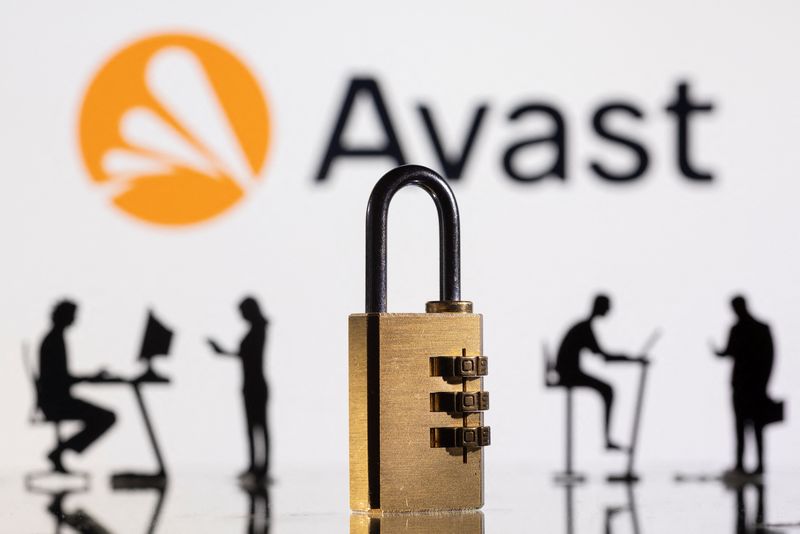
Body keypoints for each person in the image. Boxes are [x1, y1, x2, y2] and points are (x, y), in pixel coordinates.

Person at [554, 294, 647, 450]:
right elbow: (605, 357)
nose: (609, 310)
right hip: (568, 374)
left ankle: (607, 439)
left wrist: (629, 359)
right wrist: (630, 359)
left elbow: (602, 356)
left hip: (569, 371)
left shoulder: (584, 326)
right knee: (608, 390)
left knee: (607, 389)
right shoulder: (584, 328)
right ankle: (607, 439)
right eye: (608, 307)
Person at [38, 300, 116, 473]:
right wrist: (90, 378)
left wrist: (89, 378)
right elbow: (60, 378)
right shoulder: (54, 341)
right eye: (73, 315)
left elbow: (61, 377)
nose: (75, 319)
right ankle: (59, 451)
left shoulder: (55, 338)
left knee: (106, 417)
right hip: (56, 403)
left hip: (56, 400)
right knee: (107, 417)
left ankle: (60, 451)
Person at [208, 296, 270, 482]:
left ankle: (261, 468)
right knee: (253, 427)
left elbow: (247, 355)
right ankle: (255, 465)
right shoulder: (256, 330)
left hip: (255, 386)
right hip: (251, 385)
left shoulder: (258, 330)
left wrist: (222, 352)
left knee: (259, 427)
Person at [712, 296, 775, 477]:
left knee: (749, 426)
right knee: (748, 426)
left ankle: (750, 465)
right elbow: (731, 352)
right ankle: (745, 464)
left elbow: (768, 357)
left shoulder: (746, 329)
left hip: (748, 385)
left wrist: (764, 383)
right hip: (746, 385)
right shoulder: (755, 328)